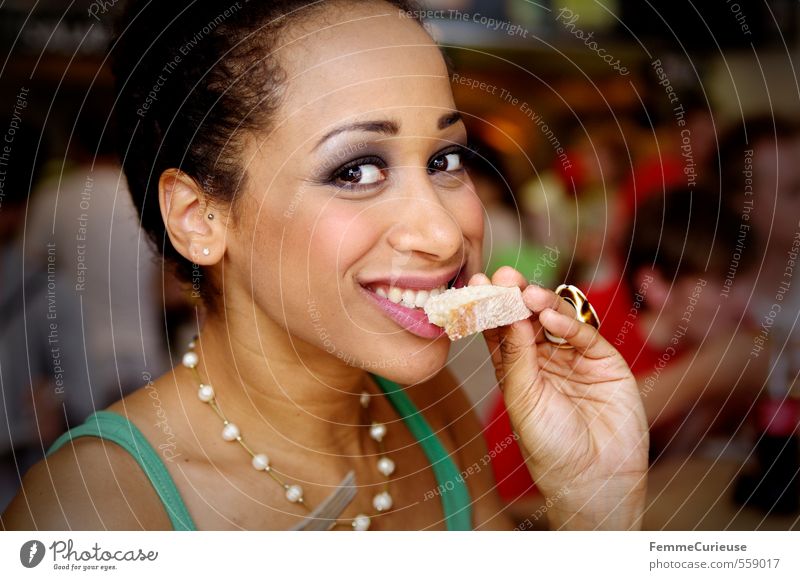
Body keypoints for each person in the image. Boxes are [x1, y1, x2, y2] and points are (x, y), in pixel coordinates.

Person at [2, 0, 646, 531]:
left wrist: (598, 504)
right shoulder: (88, 512)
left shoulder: (432, 408)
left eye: (445, 159)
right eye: (356, 170)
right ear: (200, 217)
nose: (444, 234)